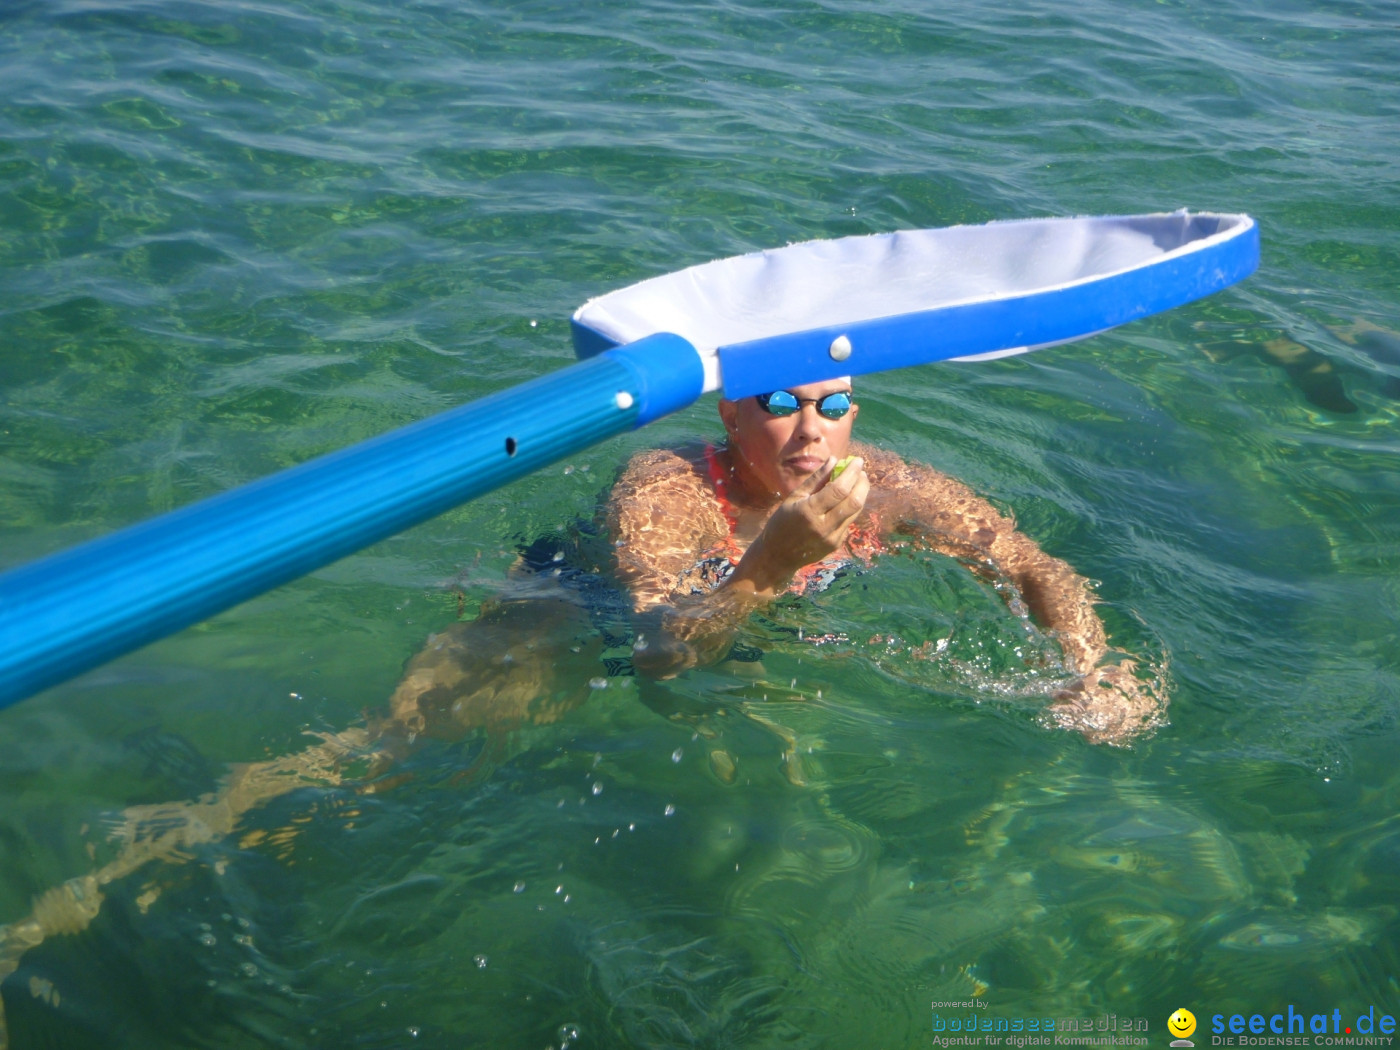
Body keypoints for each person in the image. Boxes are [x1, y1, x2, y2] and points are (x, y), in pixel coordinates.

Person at [603, 376, 1161, 745]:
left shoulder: (888, 482)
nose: (811, 429)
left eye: (834, 406)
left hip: (767, 640)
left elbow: (1028, 565)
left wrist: (1094, 665)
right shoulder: (671, 491)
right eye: (780, 403)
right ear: (730, 416)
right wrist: (771, 562)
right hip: (584, 612)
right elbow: (660, 654)